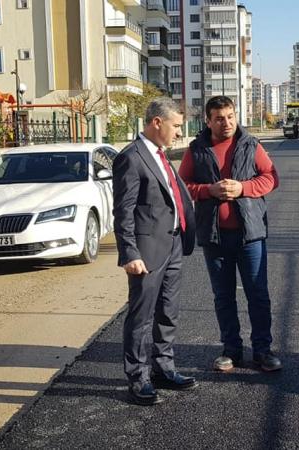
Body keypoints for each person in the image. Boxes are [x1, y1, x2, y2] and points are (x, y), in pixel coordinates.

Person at [178, 95, 282, 373]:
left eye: (230, 116)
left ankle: (262, 350)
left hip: (251, 235)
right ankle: (231, 350)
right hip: (214, 237)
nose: (226, 123)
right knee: (223, 296)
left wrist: (243, 188)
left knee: (258, 294)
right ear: (208, 121)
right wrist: (207, 191)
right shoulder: (196, 149)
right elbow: (181, 185)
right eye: (220, 118)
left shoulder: (250, 144)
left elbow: (271, 178)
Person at [113, 97, 197, 405]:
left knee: (168, 312)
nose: (179, 132)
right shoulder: (131, 158)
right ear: (156, 122)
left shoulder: (161, 156)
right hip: (147, 250)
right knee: (141, 316)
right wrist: (130, 253)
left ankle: (163, 368)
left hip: (174, 243)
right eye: (175, 126)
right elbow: (122, 211)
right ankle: (138, 377)